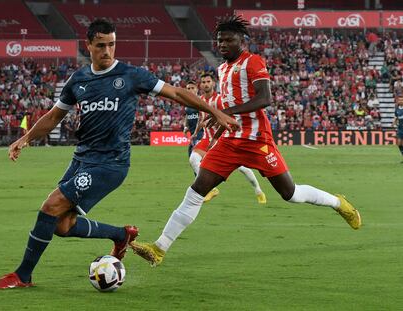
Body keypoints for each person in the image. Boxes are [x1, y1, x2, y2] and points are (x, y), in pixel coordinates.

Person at [0, 19, 238, 289]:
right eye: (101, 46)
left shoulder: (132, 75)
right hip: (81, 159)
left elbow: (177, 93)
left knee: (50, 206)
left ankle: (22, 276)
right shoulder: (79, 80)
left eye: (112, 44)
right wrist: (25, 138)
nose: (107, 51)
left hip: (110, 164)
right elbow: (53, 117)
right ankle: (122, 235)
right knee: (61, 226)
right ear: (89, 46)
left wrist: (216, 112)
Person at [130, 16, 362, 267]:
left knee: (290, 194)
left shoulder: (253, 62)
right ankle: (159, 248)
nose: (223, 44)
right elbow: (229, 101)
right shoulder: (222, 69)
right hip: (230, 142)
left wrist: (226, 114)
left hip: (257, 141)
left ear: (243, 41)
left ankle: (339, 203)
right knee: (197, 190)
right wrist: (217, 117)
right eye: (220, 40)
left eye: (229, 40)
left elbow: (265, 98)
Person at [189, 72, 267, 203]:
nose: (206, 84)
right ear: (200, 85)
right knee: (193, 159)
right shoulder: (200, 100)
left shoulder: (219, 100)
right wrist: (196, 132)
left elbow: (229, 118)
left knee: (242, 168)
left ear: (213, 83)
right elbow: (201, 119)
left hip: (222, 138)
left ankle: (258, 190)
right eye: (203, 82)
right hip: (207, 139)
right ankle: (211, 189)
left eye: (208, 81)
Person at [183, 80, 203, 158]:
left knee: (196, 159)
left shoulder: (201, 101)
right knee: (192, 159)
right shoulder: (187, 103)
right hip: (193, 136)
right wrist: (185, 127)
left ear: (197, 89)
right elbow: (187, 116)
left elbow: (203, 118)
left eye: (192, 88)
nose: (190, 90)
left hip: (201, 135)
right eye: (188, 88)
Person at [394, 97, 403, 162]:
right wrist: (393, 123)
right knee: (399, 143)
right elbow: (396, 117)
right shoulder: (397, 109)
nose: (401, 101)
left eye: (402, 100)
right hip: (400, 128)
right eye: (399, 100)